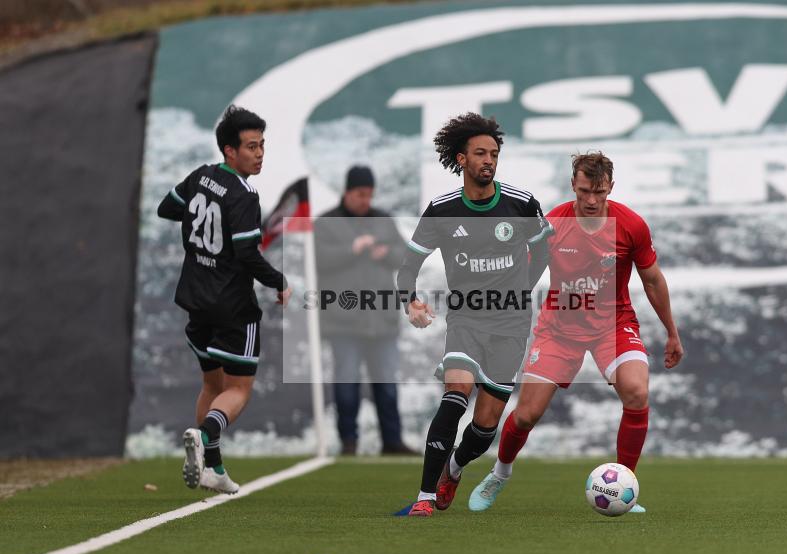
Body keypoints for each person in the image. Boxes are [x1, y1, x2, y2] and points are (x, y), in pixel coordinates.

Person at [467, 151, 684, 513]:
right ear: (573, 185)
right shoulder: (552, 224)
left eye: (599, 191)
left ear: (611, 187)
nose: (591, 200)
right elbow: (523, 278)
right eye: (584, 191)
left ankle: (623, 487)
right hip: (559, 328)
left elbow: (652, 280)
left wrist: (672, 332)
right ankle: (499, 474)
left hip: (612, 325)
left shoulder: (631, 225)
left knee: (636, 391)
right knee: (526, 414)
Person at [396, 112, 553, 517]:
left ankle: (454, 467)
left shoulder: (521, 203)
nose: (489, 160)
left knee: (485, 427)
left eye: (494, 153)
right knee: (454, 398)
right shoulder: (442, 209)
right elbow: (407, 266)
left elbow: (544, 249)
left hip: (512, 325)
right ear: (461, 159)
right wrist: (411, 301)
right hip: (466, 321)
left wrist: (522, 288)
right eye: (480, 153)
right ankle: (426, 497)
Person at [157, 105, 291, 494]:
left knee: (211, 386)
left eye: (262, 145)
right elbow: (248, 255)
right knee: (239, 390)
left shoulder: (202, 176)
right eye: (251, 146)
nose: (260, 153)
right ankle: (204, 435)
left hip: (195, 300)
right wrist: (279, 282)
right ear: (229, 151)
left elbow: (167, 207)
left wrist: (199, 226)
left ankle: (211, 468)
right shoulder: (244, 194)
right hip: (232, 306)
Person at [313, 165, 415, 456]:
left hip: (381, 320)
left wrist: (388, 253)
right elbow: (318, 260)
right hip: (343, 322)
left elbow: (406, 255)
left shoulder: (384, 220)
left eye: (369, 194)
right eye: (360, 194)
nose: (365, 200)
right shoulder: (326, 223)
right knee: (347, 385)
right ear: (347, 192)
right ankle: (349, 443)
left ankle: (392, 442)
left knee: (386, 385)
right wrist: (353, 248)